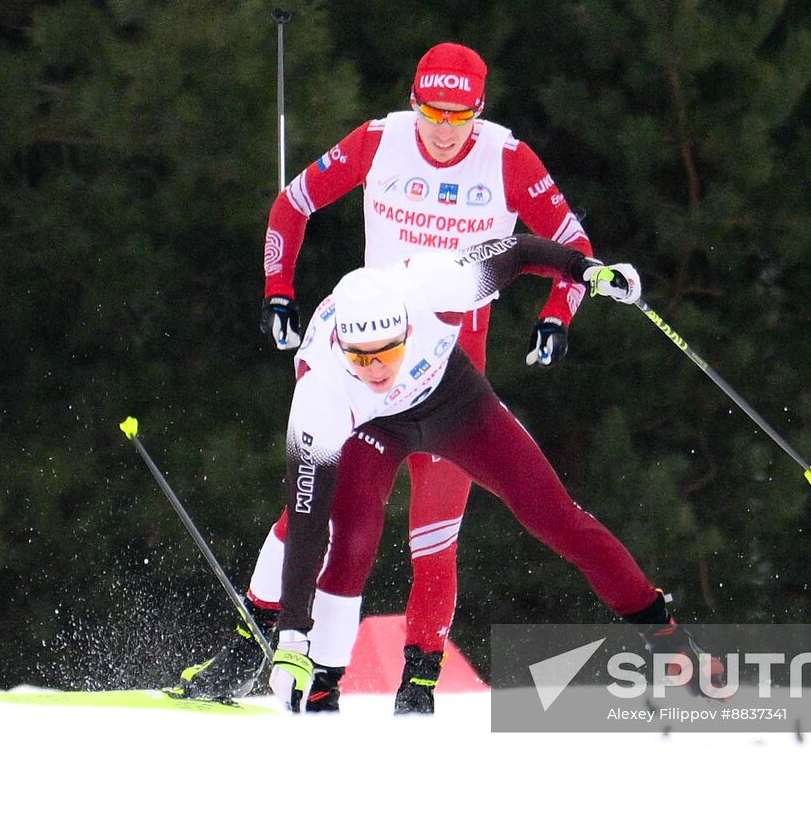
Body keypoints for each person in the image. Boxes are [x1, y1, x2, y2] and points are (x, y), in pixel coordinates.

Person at [181, 43, 597, 714]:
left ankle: (421, 681)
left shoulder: (507, 158)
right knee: (314, 513)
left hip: (453, 384)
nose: (443, 127)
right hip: (371, 370)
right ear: (413, 102)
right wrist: (277, 292)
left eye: (458, 114)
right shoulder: (379, 140)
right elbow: (291, 205)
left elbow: (572, 245)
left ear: (478, 111)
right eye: (431, 110)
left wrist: (557, 314)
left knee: (435, 538)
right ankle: (250, 646)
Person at [258, 234, 721, 712]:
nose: (376, 369)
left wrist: (587, 271)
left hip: (453, 401)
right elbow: (308, 516)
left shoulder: (435, 283)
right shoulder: (321, 389)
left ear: (407, 330)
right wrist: (293, 638)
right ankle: (320, 679)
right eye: (361, 356)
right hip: (374, 427)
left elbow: (519, 252)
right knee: (353, 535)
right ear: (340, 345)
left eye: (388, 352)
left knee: (554, 515)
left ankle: (665, 635)